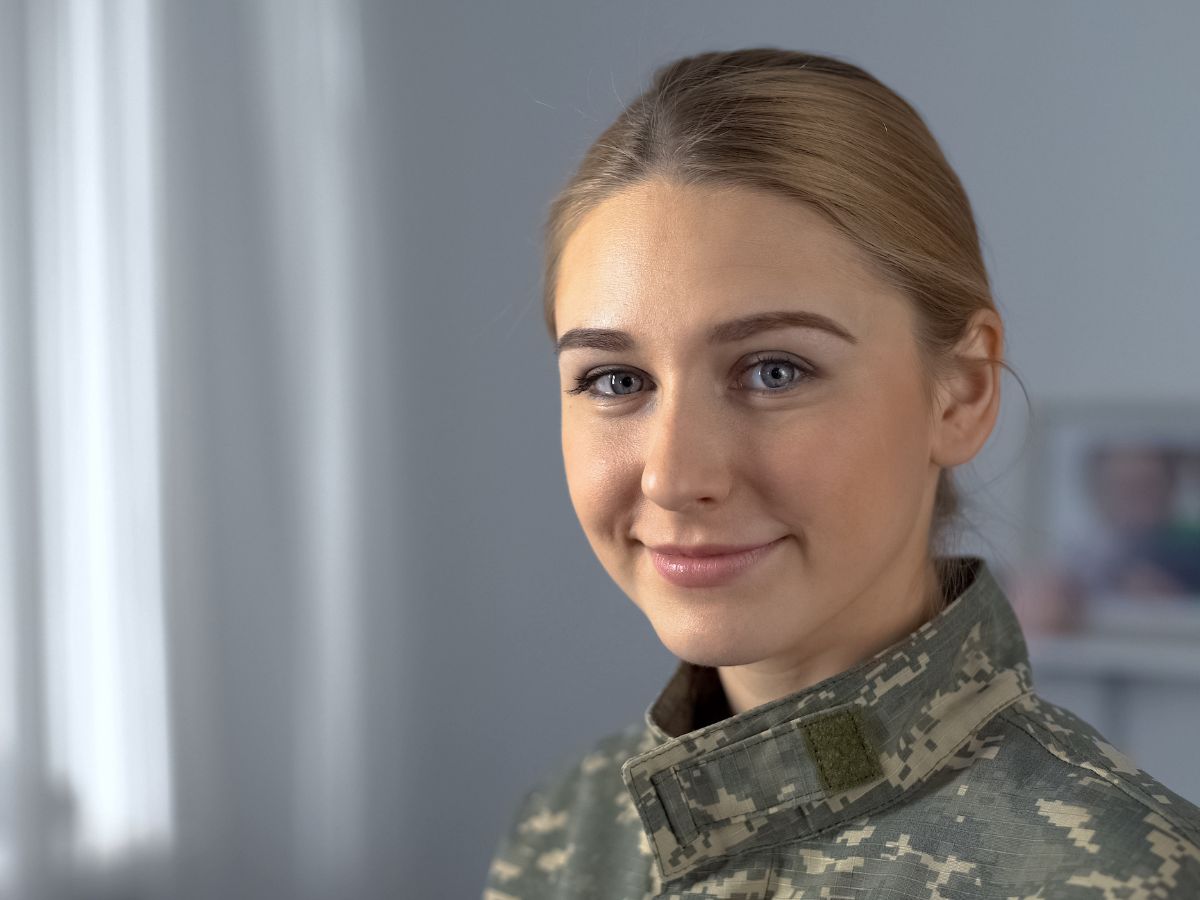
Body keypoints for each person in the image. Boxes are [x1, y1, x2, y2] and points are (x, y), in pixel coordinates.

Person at [483, 48, 1200, 898]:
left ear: (961, 393)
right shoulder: (565, 830)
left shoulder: (1121, 876)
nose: (676, 478)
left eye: (774, 370)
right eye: (617, 381)